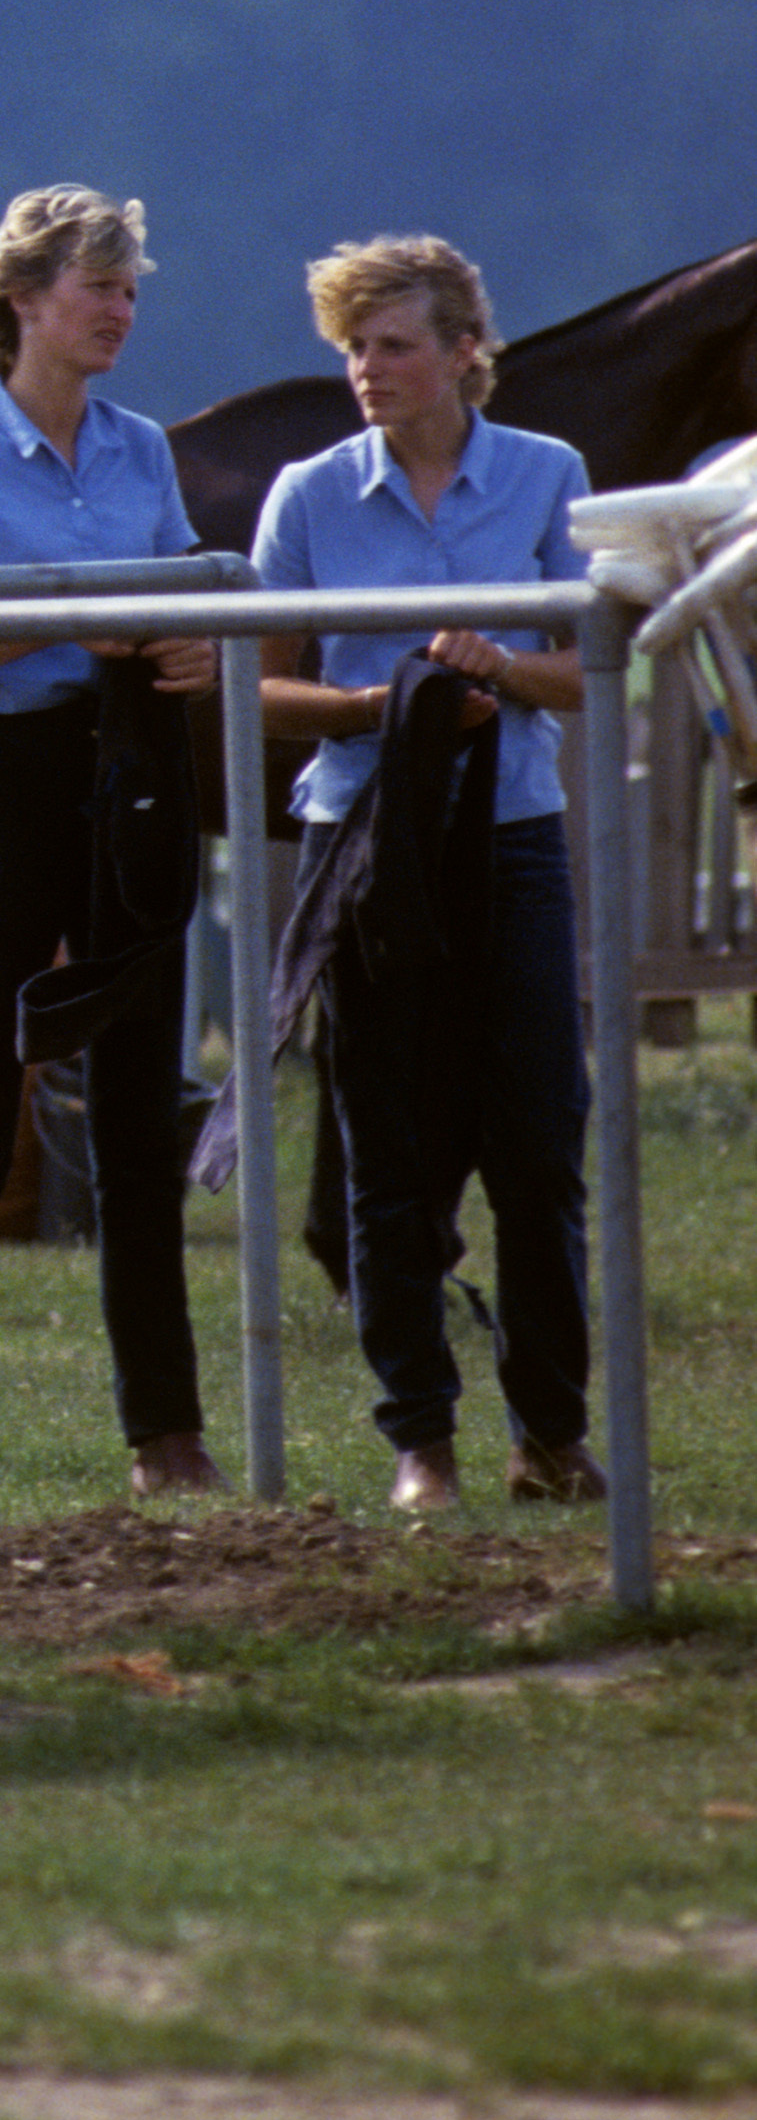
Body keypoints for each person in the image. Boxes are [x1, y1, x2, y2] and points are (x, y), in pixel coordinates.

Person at [0, 186, 224, 1507]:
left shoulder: (140, 454)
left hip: (124, 773)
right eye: (95, 290)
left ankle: (165, 1435)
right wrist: (61, 616)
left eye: (129, 291)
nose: (119, 312)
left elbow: (181, 607)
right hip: (1, 775)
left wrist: (180, 644)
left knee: (137, 1120)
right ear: (24, 304)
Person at [252, 236, 601, 1515]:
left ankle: (551, 1431)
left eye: (393, 344)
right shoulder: (309, 495)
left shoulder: (550, 477)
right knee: (384, 1150)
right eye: (353, 347)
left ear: (465, 351)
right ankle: (422, 1440)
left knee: (537, 1139)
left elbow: (595, 668)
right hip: (366, 844)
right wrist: (374, 702)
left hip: (510, 836)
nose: (366, 370)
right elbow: (263, 684)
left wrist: (497, 670)